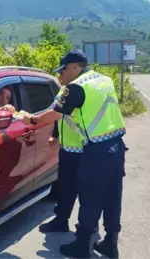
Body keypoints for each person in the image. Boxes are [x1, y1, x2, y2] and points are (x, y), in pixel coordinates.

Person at [20, 50, 127, 259]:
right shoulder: (104, 79)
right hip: (116, 145)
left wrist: (32, 120)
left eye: (65, 70)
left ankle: (82, 245)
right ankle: (111, 244)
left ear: (76, 67)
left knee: (90, 198)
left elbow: (56, 114)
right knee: (112, 197)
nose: (63, 74)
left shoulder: (77, 87)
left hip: (96, 150)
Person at [38, 66, 85, 234]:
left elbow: (55, 115)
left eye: (62, 72)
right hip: (68, 147)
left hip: (82, 148)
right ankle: (62, 221)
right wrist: (56, 135)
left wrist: (33, 120)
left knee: (83, 189)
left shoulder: (79, 90)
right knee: (67, 187)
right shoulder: (64, 92)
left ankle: (86, 224)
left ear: (74, 70)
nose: (59, 76)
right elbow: (61, 117)